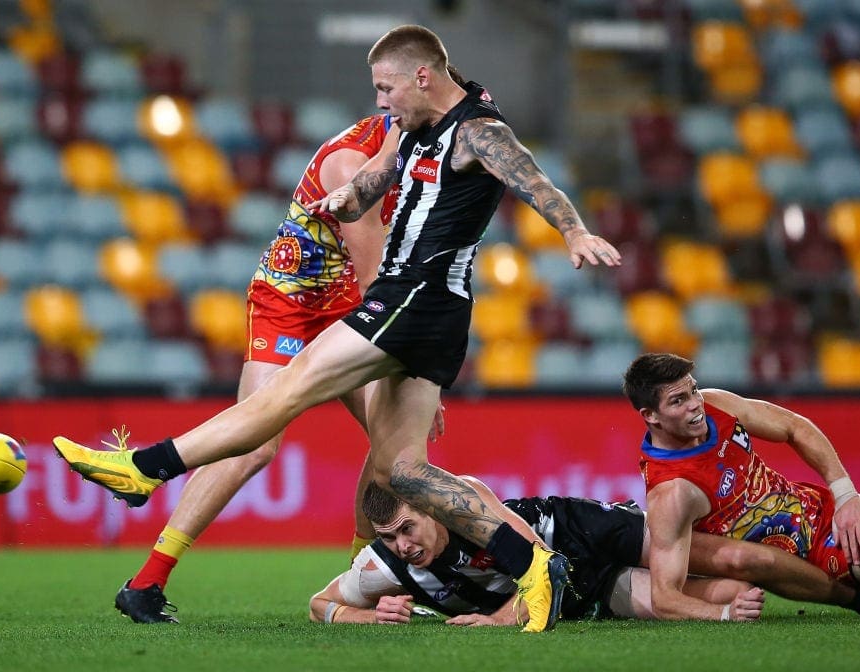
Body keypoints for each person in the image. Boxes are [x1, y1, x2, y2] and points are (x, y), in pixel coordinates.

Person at [54, 24, 622, 632]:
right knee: (403, 470)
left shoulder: (478, 130)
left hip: (409, 296)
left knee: (285, 393)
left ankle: (145, 468)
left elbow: (533, 181)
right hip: (419, 308)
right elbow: (373, 181)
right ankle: (534, 565)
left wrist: (574, 232)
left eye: (385, 87)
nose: (379, 100)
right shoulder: (412, 127)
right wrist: (346, 200)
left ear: (421, 78)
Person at [113, 113, 400, 623]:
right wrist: (410, 362)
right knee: (256, 440)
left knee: (394, 442)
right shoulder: (349, 163)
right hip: (291, 299)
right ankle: (146, 582)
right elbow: (374, 273)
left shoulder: (424, 149)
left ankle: (361, 582)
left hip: (350, 305)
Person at [623, 352, 860, 620]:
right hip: (817, 551)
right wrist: (722, 614)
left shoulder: (717, 405)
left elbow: (794, 427)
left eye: (693, 390)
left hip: (820, 503)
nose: (695, 404)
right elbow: (664, 599)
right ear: (651, 415)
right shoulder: (672, 493)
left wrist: (845, 496)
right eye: (678, 400)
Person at [311, 478, 763, 625]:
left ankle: (817, 563)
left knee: (733, 558)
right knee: (734, 592)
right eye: (389, 537)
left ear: (432, 510)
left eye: (407, 529)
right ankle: (734, 602)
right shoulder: (385, 563)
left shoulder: (464, 505)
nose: (402, 546)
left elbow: (541, 566)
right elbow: (320, 605)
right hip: (586, 585)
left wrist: (496, 620)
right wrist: (373, 614)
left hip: (575, 530)